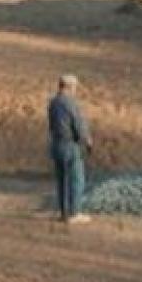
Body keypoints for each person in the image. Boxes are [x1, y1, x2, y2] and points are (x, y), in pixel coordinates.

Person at [47, 74, 93, 224]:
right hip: (69, 145)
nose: (75, 90)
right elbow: (78, 124)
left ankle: (64, 212)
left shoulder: (53, 102)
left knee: (61, 180)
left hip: (55, 144)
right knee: (76, 179)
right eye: (75, 87)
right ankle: (74, 213)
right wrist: (87, 141)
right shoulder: (70, 104)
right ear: (70, 87)